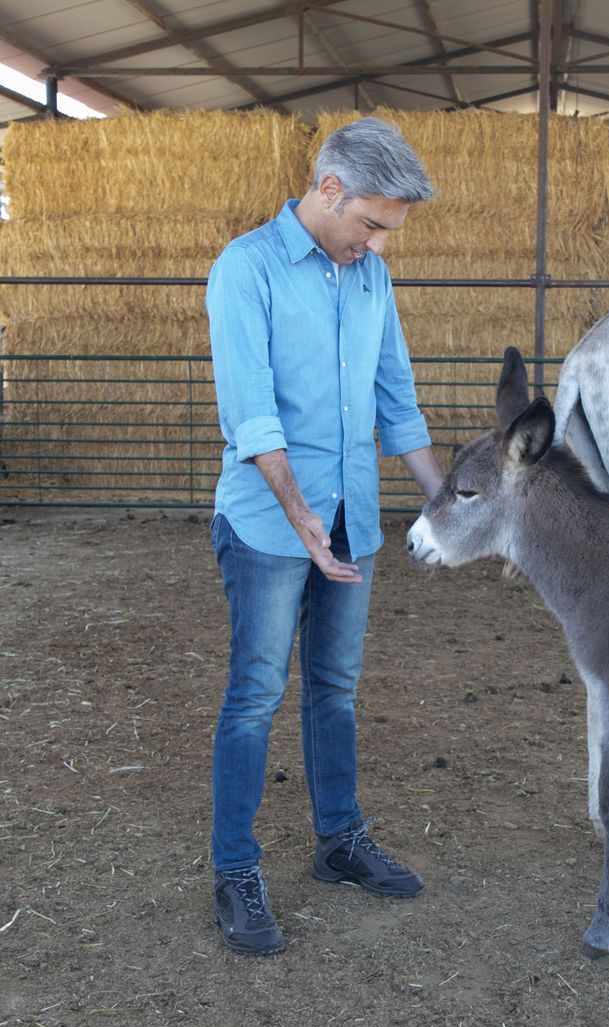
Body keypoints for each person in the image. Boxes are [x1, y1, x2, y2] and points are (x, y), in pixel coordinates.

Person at [204, 116, 445, 956]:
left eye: (391, 231)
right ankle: (233, 868)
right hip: (271, 524)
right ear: (329, 190)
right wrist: (300, 514)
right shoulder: (248, 268)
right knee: (256, 694)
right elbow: (251, 411)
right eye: (372, 224)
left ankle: (339, 840)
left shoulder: (368, 279)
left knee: (335, 688)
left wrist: (448, 501)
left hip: (350, 521)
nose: (379, 244)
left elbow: (397, 400)